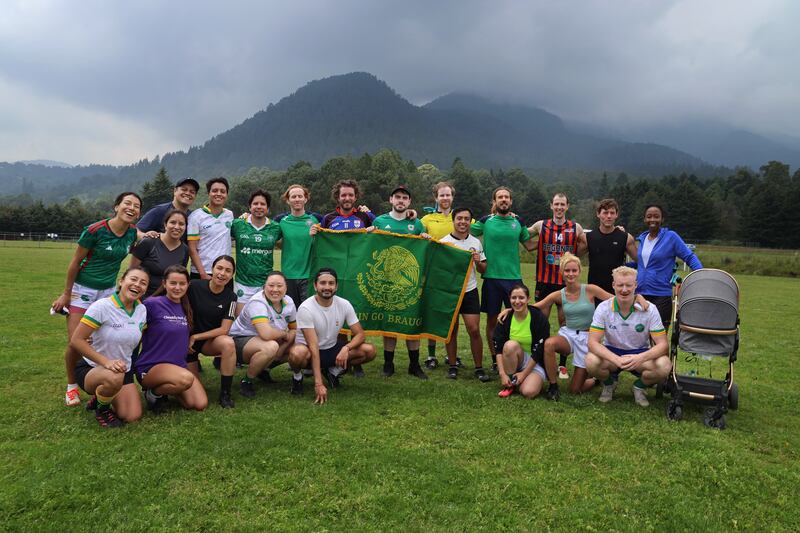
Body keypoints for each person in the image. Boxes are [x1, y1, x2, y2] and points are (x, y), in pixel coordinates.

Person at [52, 191, 144, 406]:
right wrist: (66, 294)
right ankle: (72, 386)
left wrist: (150, 234)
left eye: (136, 206)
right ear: (116, 206)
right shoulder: (94, 231)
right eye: (127, 204)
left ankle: (101, 383)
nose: (131, 208)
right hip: (82, 290)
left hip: (108, 291)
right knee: (77, 342)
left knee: (102, 339)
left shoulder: (131, 233)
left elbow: (139, 235)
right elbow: (75, 263)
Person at [527, 253, 650, 399]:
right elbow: (536, 307)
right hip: (568, 335)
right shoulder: (558, 294)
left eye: (574, 270)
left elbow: (617, 297)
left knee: (575, 390)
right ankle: (553, 385)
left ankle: (595, 380)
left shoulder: (590, 289)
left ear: (580, 271)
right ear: (561, 273)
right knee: (549, 344)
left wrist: (638, 296)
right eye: (567, 270)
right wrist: (512, 309)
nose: (571, 274)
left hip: (587, 338)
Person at [69, 267, 149, 427]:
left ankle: (99, 398)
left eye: (143, 283)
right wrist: (106, 362)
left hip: (122, 370)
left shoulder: (141, 309)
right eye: (133, 279)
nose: (137, 285)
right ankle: (103, 409)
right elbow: (76, 340)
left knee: (132, 415)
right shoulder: (102, 306)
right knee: (113, 376)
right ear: (121, 281)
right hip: (91, 368)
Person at [585, 266, 671, 407]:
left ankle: (639, 387)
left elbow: (663, 345)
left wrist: (640, 358)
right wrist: (616, 360)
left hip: (639, 353)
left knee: (664, 365)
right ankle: (609, 385)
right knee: (590, 361)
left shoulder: (650, 309)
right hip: (612, 352)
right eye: (620, 285)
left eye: (629, 285)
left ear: (635, 285)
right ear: (613, 285)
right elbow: (592, 343)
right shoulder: (603, 308)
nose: (624, 290)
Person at [470, 186, 535, 372]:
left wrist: (553, 240)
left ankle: (517, 357)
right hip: (491, 278)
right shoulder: (486, 221)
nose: (504, 200)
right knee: (492, 320)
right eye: (500, 197)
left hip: (514, 279)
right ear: (495, 201)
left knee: (518, 319)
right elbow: (464, 230)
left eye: (507, 197)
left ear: (511, 201)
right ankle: (494, 358)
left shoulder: (518, 222)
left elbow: (529, 244)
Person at [288, 268, 376, 404]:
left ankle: (333, 372)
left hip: (331, 349)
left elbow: (360, 334)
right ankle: (297, 377)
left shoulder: (344, 304)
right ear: (315, 286)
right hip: (309, 352)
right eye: (323, 283)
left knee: (369, 351)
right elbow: (313, 346)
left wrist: (346, 348)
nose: (327, 287)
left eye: (331, 283)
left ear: (336, 286)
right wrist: (318, 384)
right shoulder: (306, 308)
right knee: (296, 353)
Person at [372, 185, 432, 379]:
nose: (400, 200)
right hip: (387, 280)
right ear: (391, 200)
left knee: (411, 321)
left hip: (409, 283)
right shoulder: (380, 221)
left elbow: (424, 250)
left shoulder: (417, 224)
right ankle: (388, 364)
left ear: (409, 202)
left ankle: (414, 365)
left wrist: (425, 238)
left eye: (404, 198)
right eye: (397, 197)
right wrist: (367, 234)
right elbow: (369, 246)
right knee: (390, 321)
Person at [528, 193, 586, 381]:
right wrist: (511, 219)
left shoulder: (575, 227)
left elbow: (587, 244)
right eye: (556, 204)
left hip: (565, 282)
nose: (559, 207)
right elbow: (522, 237)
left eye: (562, 204)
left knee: (565, 321)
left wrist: (575, 255)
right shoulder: (540, 225)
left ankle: (562, 365)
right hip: (544, 281)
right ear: (551, 206)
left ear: (567, 206)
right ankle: (538, 360)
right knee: (540, 322)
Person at [135, 265, 208, 413]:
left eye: (182, 284)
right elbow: (130, 324)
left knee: (199, 404)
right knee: (186, 379)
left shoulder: (186, 306)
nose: (177, 287)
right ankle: (153, 393)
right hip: (151, 367)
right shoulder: (152, 304)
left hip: (178, 367)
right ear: (164, 284)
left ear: (188, 285)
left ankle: (165, 389)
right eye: (173, 283)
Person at [439, 207, 490, 382]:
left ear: (471, 221)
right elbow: (439, 269)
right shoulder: (444, 242)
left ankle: (479, 368)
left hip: (470, 291)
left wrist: (478, 262)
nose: (463, 222)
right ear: (453, 220)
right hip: (450, 292)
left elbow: (483, 268)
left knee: (474, 330)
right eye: (459, 218)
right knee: (451, 330)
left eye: (466, 219)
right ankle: (452, 366)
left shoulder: (476, 242)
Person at [228, 271, 297, 398]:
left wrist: (284, 346)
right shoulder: (257, 302)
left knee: (297, 348)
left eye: (279, 286)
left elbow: (294, 329)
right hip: (238, 341)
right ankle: (247, 382)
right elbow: (266, 334)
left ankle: (263, 370)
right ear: (264, 287)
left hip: (266, 340)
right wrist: (283, 334)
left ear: (286, 287)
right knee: (270, 347)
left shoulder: (289, 302)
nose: (275, 289)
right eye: (271, 285)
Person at [635, 204, 702, 332]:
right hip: (640, 295)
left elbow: (689, 257)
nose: (652, 220)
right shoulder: (642, 239)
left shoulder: (671, 237)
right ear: (644, 219)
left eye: (656, 216)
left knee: (658, 340)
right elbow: (642, 265)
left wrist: (701, 276)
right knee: (639, 338)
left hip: (661, 296)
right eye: (649, 216)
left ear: (662, 219)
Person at [186, 255, 238, 408]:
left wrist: (197, 336)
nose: (222, 273)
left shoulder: (231, 297)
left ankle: (225, 393)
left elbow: (225, 329)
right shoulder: (194, 286)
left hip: (207, 341)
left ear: (232, 275)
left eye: (228, 271)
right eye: (219, 268)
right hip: (186, 343)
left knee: (228, 343)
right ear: (212, 269)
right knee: (194, 392)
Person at [420, 181, 459, 369]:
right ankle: (431, 355)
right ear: (436, 198)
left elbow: (480, 226)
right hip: (434, 272)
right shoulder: (426, 220)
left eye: (448, 195)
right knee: (434, 313)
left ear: (452, 197)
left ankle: (452, 355)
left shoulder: (460, 218)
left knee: (453, 313)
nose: (445, 198)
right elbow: (414, 232)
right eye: (441, 195)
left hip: (455, 273)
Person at [493, 284, 551, 399]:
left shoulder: (538, 318)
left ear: (528, 299)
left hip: (534, 363)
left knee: (528, 392)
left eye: (521, 298)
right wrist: (502, 374)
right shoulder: (505, 318)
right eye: (513, 298)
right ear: (509, 299)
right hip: (514, 359)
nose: (517, 301)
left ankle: (522, 380)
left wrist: (524, 374)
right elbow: (498, 348)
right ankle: (510, 384)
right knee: (510, 345)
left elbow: (539, 351)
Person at [230, 189, 282, 314]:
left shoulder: (276, 227)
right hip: (242, 283)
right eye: (255, 203)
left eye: (263, 204)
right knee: (240, 320)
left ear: (268, 208)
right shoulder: (237, 224)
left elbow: (286, 243)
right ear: (250, 206)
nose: (259, 206)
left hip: (265, 284)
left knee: (264, 320)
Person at [273, 184, 321, 306]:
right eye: (293, 197)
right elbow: (266, 233)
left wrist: (367, 215)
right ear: (288, 200)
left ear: (305, 199)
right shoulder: (281, 221)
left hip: (309, 275)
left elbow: (335, 230)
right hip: (288, 275)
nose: (297, 199)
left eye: (300, 196)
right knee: (291, 314)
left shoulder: (316, 219)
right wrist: (247, 218)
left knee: (309, 312)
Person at [130, 209, 190, 298]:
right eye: (173, 222)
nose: (177, 227)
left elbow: (178, 276)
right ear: (165, 225)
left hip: (165, 300)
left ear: (185, 227)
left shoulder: (185, 250)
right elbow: (131, 271)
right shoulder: (149, 242)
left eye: (181, 224)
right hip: (140, 296)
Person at [584, 198, 638, 295]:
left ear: (616, 215)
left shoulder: (626, 238)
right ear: (598, 214)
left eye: (612, 213)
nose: (609, 216)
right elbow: (573, 255)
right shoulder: (588, 237)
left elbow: (641, 261)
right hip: (594, 291)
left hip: (619, 291)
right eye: (605, 213)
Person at [187, 177, 234, 279]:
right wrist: (202, 274)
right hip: (201, 273)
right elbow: (192, 248)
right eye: (215, 191)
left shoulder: (229, 215)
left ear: (226, 195)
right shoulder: (196, 216)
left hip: (224, 272)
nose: (219, 194)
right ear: (209, 193)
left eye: (222, 191)